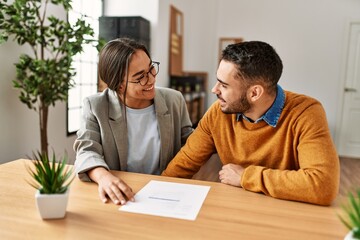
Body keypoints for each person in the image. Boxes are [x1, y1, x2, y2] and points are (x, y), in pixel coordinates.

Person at [162, 41, 340, 206]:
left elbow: (323, 185)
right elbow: (182, 165)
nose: (214, 90)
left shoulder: (306, 112)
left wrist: (246, 176)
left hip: (286, 212)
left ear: (254, 93)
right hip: (238, 209)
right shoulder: (218, 113)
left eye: (224, 85)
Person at [74, 38, 193, 205]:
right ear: (119, 85)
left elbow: (192, 144)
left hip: (167, 192)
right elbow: (86, 151)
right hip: (124, 193)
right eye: (140, 77)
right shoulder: (95, 106)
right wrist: (104, 177)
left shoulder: (174, 100)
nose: (151, 79)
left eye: (151, 69)